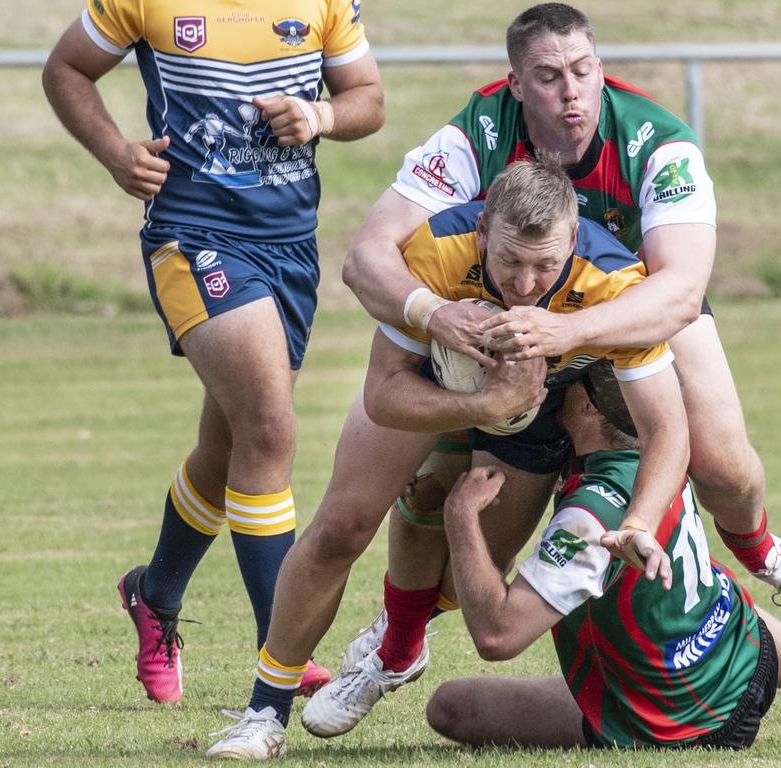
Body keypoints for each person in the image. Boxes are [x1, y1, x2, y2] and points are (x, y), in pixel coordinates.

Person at [342, 3, 781, 646]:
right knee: (359, 507)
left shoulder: (658, 142)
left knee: (724, 467)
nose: (570, 90)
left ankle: (759, 550)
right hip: (495, 314)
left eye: (583, 70)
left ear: (601, 69)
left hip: (626, 308)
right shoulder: (474, 131)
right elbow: (367, 256)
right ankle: (391, 646)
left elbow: (680, 294)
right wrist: (436, 314)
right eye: (549, 75)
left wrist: (571, 333)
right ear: (516, 83)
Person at [206, 157, 689, 758]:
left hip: (552, 408)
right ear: (482, 230)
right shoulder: (439, 253)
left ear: (573, 238)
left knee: (472, 566)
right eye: (510, 260)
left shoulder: (613, 282)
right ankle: (264, 713)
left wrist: (639, 522)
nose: (524, 283)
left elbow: (669, 427)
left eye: (545, 265)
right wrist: (484, 404)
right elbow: (384, 395)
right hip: (436, 380)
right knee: (342, 526)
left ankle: (398, 646)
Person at [42, 0, 385, 704]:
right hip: (193, 236)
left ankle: (154, 592)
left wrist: (320, 117)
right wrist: (116, 154)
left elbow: (368, 99)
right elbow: (66, 69)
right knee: (270, 427)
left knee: (228, 446)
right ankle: (283, 653)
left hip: (290, 247)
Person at [426, 361, 781, 750]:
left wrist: (459, 515)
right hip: (744, 663)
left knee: (449, 706)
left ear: (587, 406)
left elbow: (498, 636)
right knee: (707, 591)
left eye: (562, 385)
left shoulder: (592, 516)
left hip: (665, 724)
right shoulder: (662, 459)